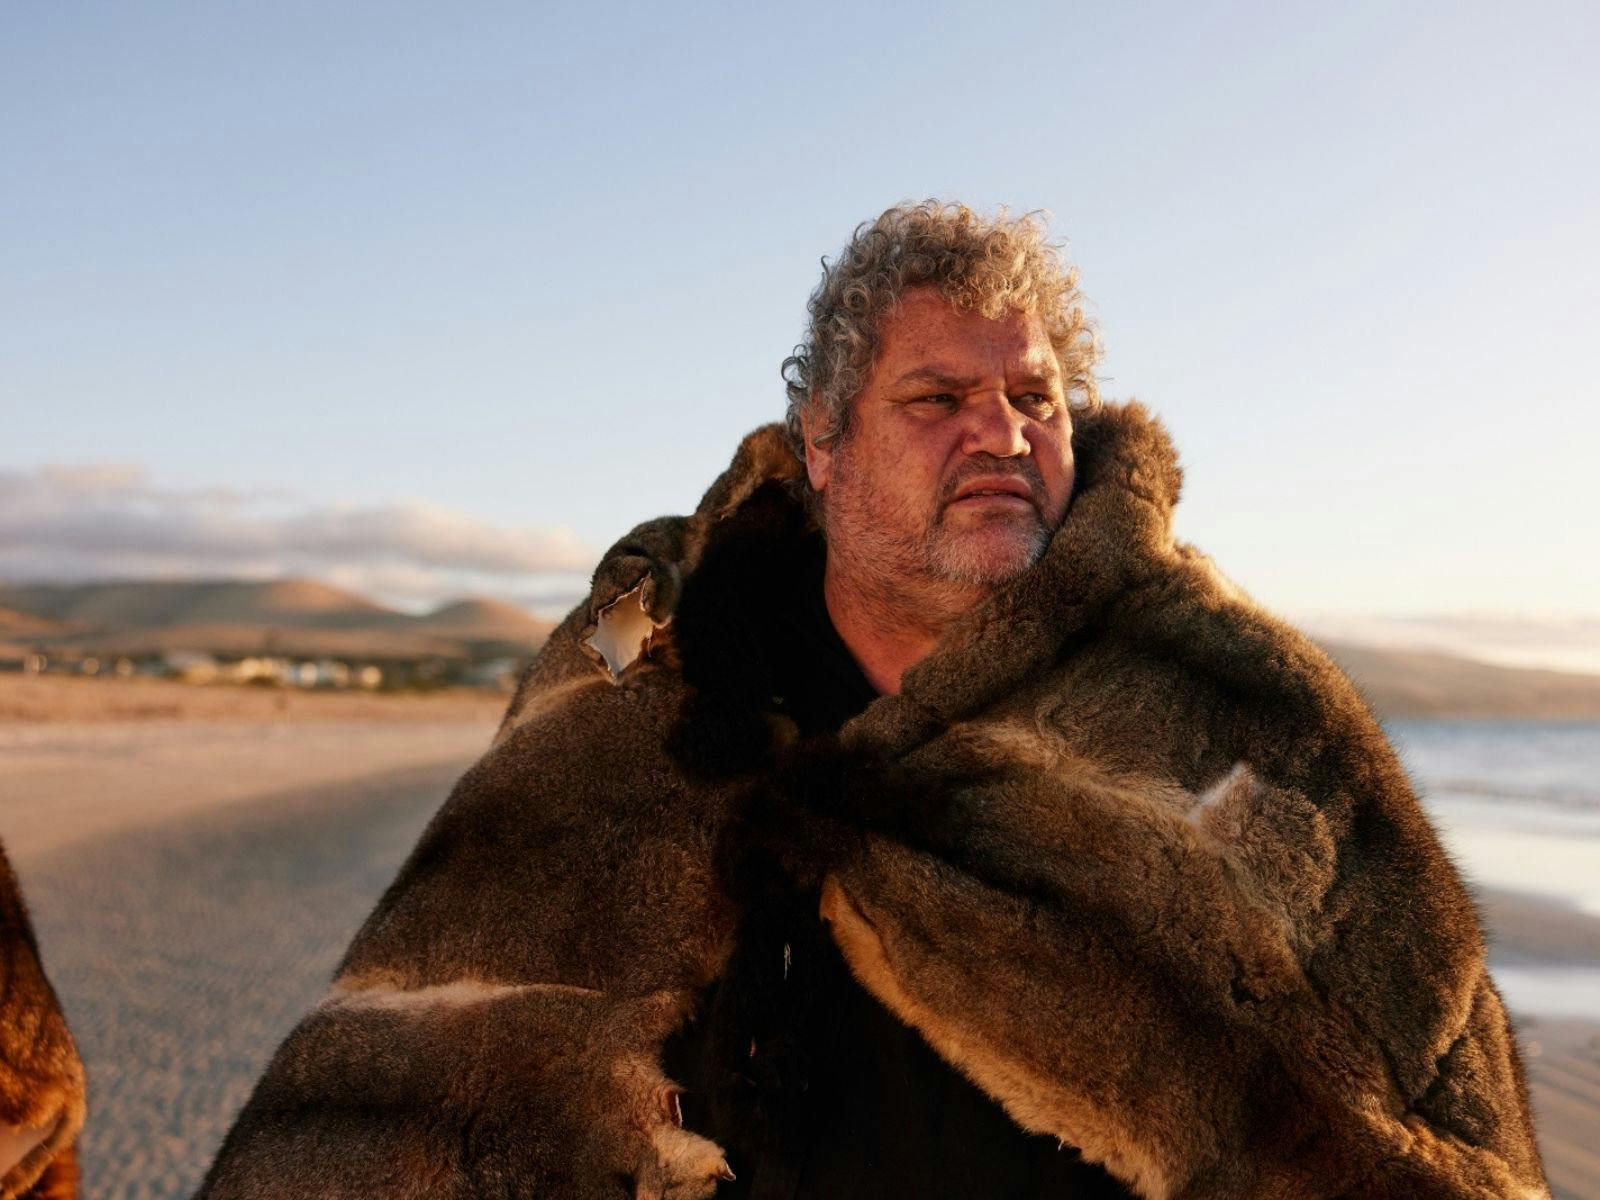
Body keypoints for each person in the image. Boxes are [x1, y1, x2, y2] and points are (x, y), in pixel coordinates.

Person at [199, 203, 1549, 1199]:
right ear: (828, 449)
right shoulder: (652, 675)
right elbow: (448, 1027)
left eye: (1036, 398)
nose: (1004, 433)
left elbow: (1410, 1091)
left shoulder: (1235, 709)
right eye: (941, 397)